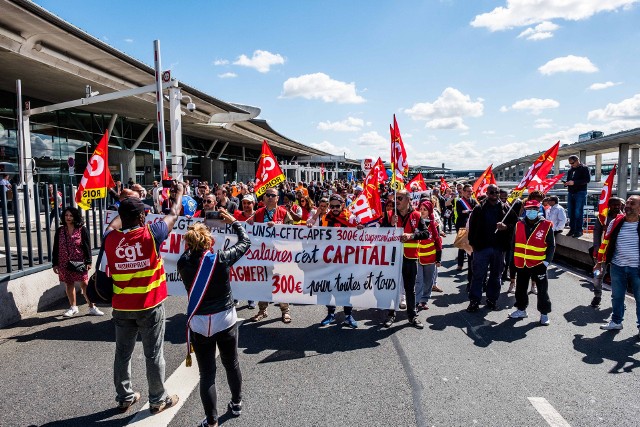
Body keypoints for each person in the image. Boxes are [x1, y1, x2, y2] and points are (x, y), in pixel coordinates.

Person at [103, 183, 184, 414]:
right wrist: (177, 194)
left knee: (122, 353)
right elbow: (174, 214)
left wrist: (123, 209)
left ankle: (124, 396)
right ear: (141, 216)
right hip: (149, 306)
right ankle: (158, 399)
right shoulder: (152, 234)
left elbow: (112, 225)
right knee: (153, 354)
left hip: (121, 307)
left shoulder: (110, 239)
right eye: (144, 213)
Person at [177, 215, 250, 427]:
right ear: (210, 241)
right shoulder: (221, 258)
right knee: (231, 363)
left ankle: (212, 421)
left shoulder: (183, 262)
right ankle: (236, 403)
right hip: (224, 319)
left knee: (207, 374)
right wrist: (234, 223)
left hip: (200, 322)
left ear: (189, 243)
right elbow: (245, 242)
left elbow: (190, 254)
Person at [381, 189, 431, 329]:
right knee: (393, 287)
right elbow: (379, 234)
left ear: (408, 199)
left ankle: (412, 316)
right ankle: (391, 315)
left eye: (400, 198)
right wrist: (390, 224)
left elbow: (426, 234)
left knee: (410, 288)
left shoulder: (416, 215)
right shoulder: (390, 214)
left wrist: (412, 236)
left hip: (410, 257)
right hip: (393, 257)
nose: (396, 201)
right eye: (396, 198)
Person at [467, 184, 518, 312]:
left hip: (498, 248)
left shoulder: (506, 208)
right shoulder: (479, 208)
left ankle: (492, 300)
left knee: (496, 276)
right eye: (491, 192)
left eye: (496, 192)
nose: (494, 195)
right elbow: (472, 228)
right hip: (481, 248)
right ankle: (474, 301)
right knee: (478, 275)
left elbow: (515, 223)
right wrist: (473, 245)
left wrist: (505, 227)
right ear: (487, 193)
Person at [246, 187, 293, 323]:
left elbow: (293, 231)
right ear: (264, 198)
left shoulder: (284, 213)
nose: (270, 197)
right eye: (268, 195)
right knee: (263, 283)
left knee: (280, 283)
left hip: (279, 256)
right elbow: (249, 227)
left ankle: (285, 311)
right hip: (263, 255)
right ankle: (262, 310)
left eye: (273, 195)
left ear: (278, 198)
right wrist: (249, 223)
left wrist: (279, 227)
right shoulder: (258, 213)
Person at [596, 195, 640, 337]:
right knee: (617, 296)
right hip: (617, 266)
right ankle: (616, 321)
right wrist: (599, 262)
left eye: (632, 204)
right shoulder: (615, 222)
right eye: (626, 203)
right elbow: (605, 244)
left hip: (637, 268)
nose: (627, 205)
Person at [508, 200, 555, 325]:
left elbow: (551, 246)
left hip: (538, 264)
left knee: (542, 290)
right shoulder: (519, 224)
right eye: (529, 209)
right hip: (521, 263)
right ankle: (521, 309)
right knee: (520, 289)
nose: (531, 211)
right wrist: (512, 261)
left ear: (538, 210)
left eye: (534, 209)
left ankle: (544, 314)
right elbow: (513, 244)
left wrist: (546, 262)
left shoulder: (547, 225)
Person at [318, 195, 360, 328]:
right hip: (330, 259)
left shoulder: (351, 217)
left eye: (337, 206)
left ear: (343, 204)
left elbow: (359, 232)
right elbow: (319, 235)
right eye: (332, 206)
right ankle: (330, 314)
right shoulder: (326, 218)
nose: (335, 209)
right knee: (329, 287)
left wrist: (360, 228)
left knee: (345, 288)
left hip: (346, 260)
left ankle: (348, 315)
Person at [52, 207, 102, 317]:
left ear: (75, 217)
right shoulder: (60, 230)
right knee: (69, 283)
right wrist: (55, 263)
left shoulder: (81, 229)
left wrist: (88, 261)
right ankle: (73, 307)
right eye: (66, 215)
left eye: (70, 215)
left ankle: (92, 307)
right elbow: (56, 247)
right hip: (64, 261)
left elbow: (87, 246)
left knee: (84, 284)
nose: (68, 217)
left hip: (80, 261)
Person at [590, 197, 624, 307]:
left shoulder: (625, 218)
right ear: (609, 205)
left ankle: (620, 301)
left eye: (619, 205)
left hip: (619, 253)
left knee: (619, 279)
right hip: (603, 253)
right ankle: (597, 295)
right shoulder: (602, 217)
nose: (617, 207)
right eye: (614, 205)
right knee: (597, 276)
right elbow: (596, 233)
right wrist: (596, 249)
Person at [415, 201, 442, 311]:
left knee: (428, 281)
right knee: (418, 281)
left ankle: (424, 300)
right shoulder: (415, 223)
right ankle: (416, 302)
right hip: (416, 257)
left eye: (424, 209)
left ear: (429, 211)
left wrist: (438, 259)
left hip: (430, 258)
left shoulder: (434, 225)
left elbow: (438, 242)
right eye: (420, 209)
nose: (422, 211)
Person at [563, 155, 590, 238]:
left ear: (577, 160)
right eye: (570, 163)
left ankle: (579, 230)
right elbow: (568, 180)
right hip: (571, 192)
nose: (572, 165)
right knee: (571, 211)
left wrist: (574, 182)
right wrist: (566, 183)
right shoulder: (570, 170)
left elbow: (587, 180)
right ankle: (572, 229)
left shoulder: (584, 168)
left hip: (580, 192)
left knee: (578, 211)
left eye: (573, 163)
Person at [455, 184, 477, 271]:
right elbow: (461, 213)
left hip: (472, 226)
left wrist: (468, 211)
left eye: (471, 191)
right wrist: (470, 211)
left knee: (471, 245)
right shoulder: (459, 201)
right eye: (468, 191)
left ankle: (470, 263)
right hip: (462, 225)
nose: (469, 193)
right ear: (463, 192)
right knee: (462, 245)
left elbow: (476, 211)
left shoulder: (474, 201)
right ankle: (460, 264)